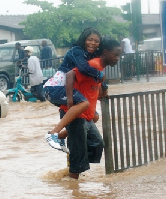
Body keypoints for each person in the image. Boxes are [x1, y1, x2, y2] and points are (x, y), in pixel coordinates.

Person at [60, 38, 122, 179]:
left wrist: (103, 94)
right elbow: (70, 75)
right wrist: (70, 100)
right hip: (76, 114)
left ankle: (74, 161)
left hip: (86, 115)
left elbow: (93, 86)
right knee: (80, 155)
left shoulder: (100, 68)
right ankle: (73, 179)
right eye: (116, 55)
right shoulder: (93, 65)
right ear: (106, 52)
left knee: (97, 144)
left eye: (119, 55)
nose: (117, 59)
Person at [44, 27, 105, 149]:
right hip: (55, 88)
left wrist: (103, 85)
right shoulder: (76, 51)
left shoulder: (89, 55)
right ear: (84, 39)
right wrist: (101, 76)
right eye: (90, 39)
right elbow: (83, 68)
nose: (93, 43)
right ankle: (53, 134)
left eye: (96, 41)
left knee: (94, 116)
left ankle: (62, 136)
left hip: (67, 89)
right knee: (83, 103)